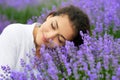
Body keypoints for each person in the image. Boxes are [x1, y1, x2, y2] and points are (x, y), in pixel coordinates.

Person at [0, 5, 90, 73]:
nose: (49, 36)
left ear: (65, 47)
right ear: (50, 16)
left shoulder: (59, 63)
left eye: (60, 40)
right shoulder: (14, 33)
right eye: (53, 26)